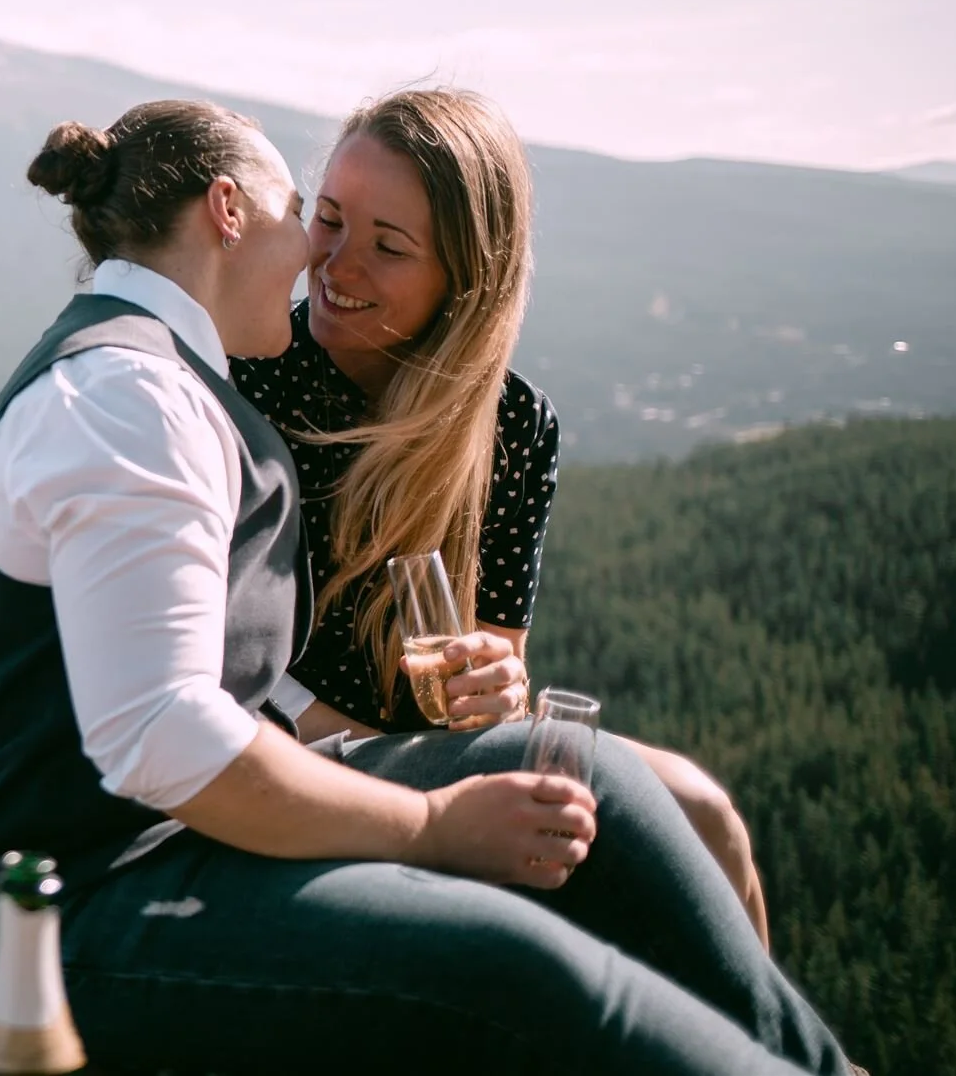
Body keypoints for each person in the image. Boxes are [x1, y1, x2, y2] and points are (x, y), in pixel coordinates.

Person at [0, 99, 845, 1074]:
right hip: (90, 893)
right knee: (517, 966)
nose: (316, 261)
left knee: (607, 788)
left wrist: (476, 712)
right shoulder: (134, 398)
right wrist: (430, 828)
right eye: (311, 216)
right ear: (228, 211)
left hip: (183, 837)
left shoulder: (161, 382)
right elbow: (164, 734)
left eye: (381, 242)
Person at [230, 88, 772, 948]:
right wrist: (423, 789)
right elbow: (223, 676)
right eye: (327, 219)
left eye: (389, 246)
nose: (336, 265)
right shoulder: (251, 378)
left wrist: (499, 687)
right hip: (301, 763)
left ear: (465, 276)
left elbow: (495, 665)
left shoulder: (513, 425)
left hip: (435, 760)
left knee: (709, 815)